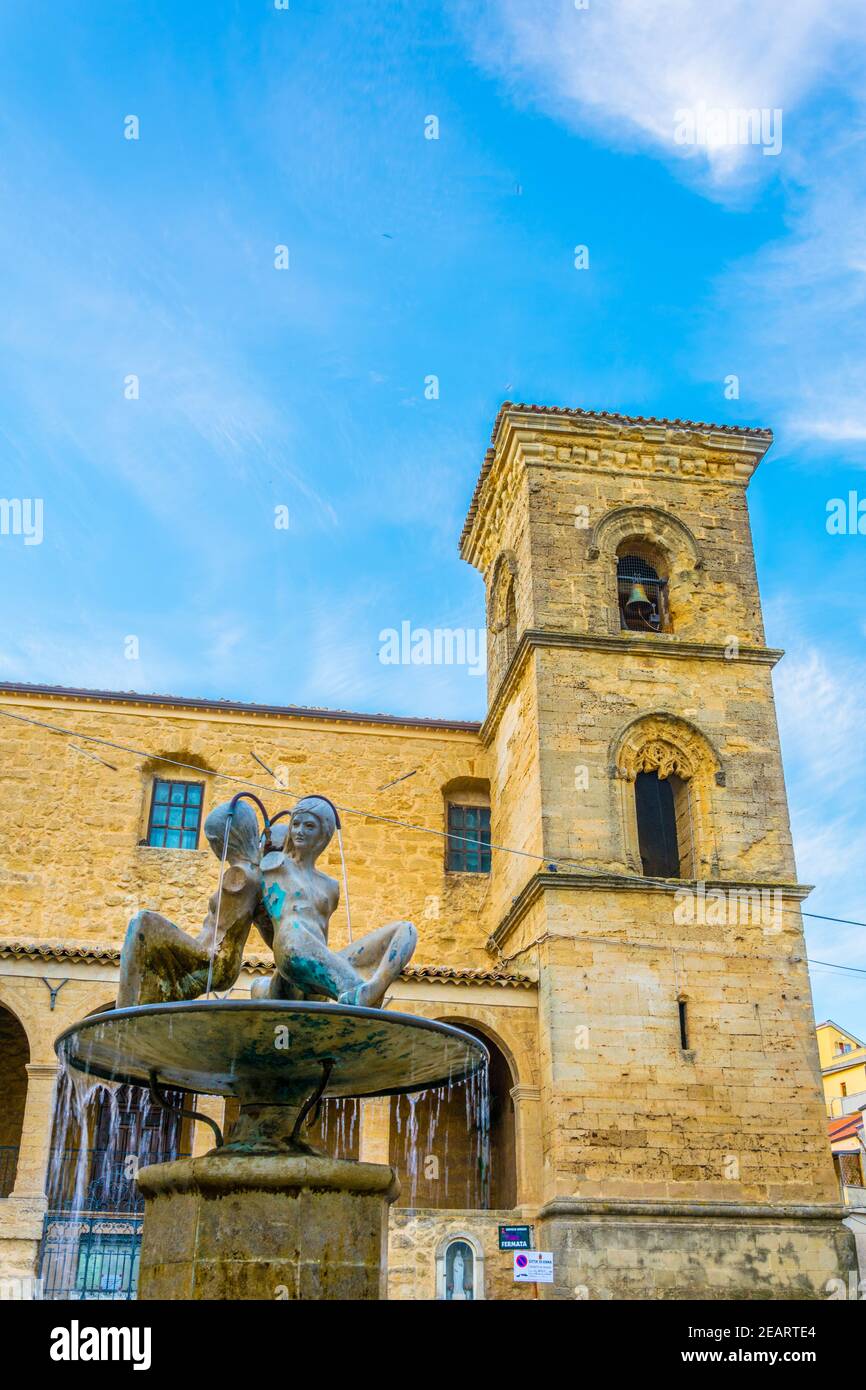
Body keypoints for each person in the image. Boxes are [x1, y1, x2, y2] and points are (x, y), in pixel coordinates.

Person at [251, 794, 416, 1007]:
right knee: (297, 933)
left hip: (317, 963)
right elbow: (259, 909)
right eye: (296, 824)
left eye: (309, 826)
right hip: (291, 950)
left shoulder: (330, 887)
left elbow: (323, 936)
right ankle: (358, 993)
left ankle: (371, 988)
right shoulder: (275, 864)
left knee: (406, 930)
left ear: (323, 834)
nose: (299, 831)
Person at [117, 799, 268, 1007]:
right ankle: (144, 1008)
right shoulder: (255, 872)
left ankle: (123, 1013)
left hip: (213, 960)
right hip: (216, 961)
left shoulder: (239, 874)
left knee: (143, 923)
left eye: (213, 841)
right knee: (151, 948)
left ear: (223, 839)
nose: (213, 848)